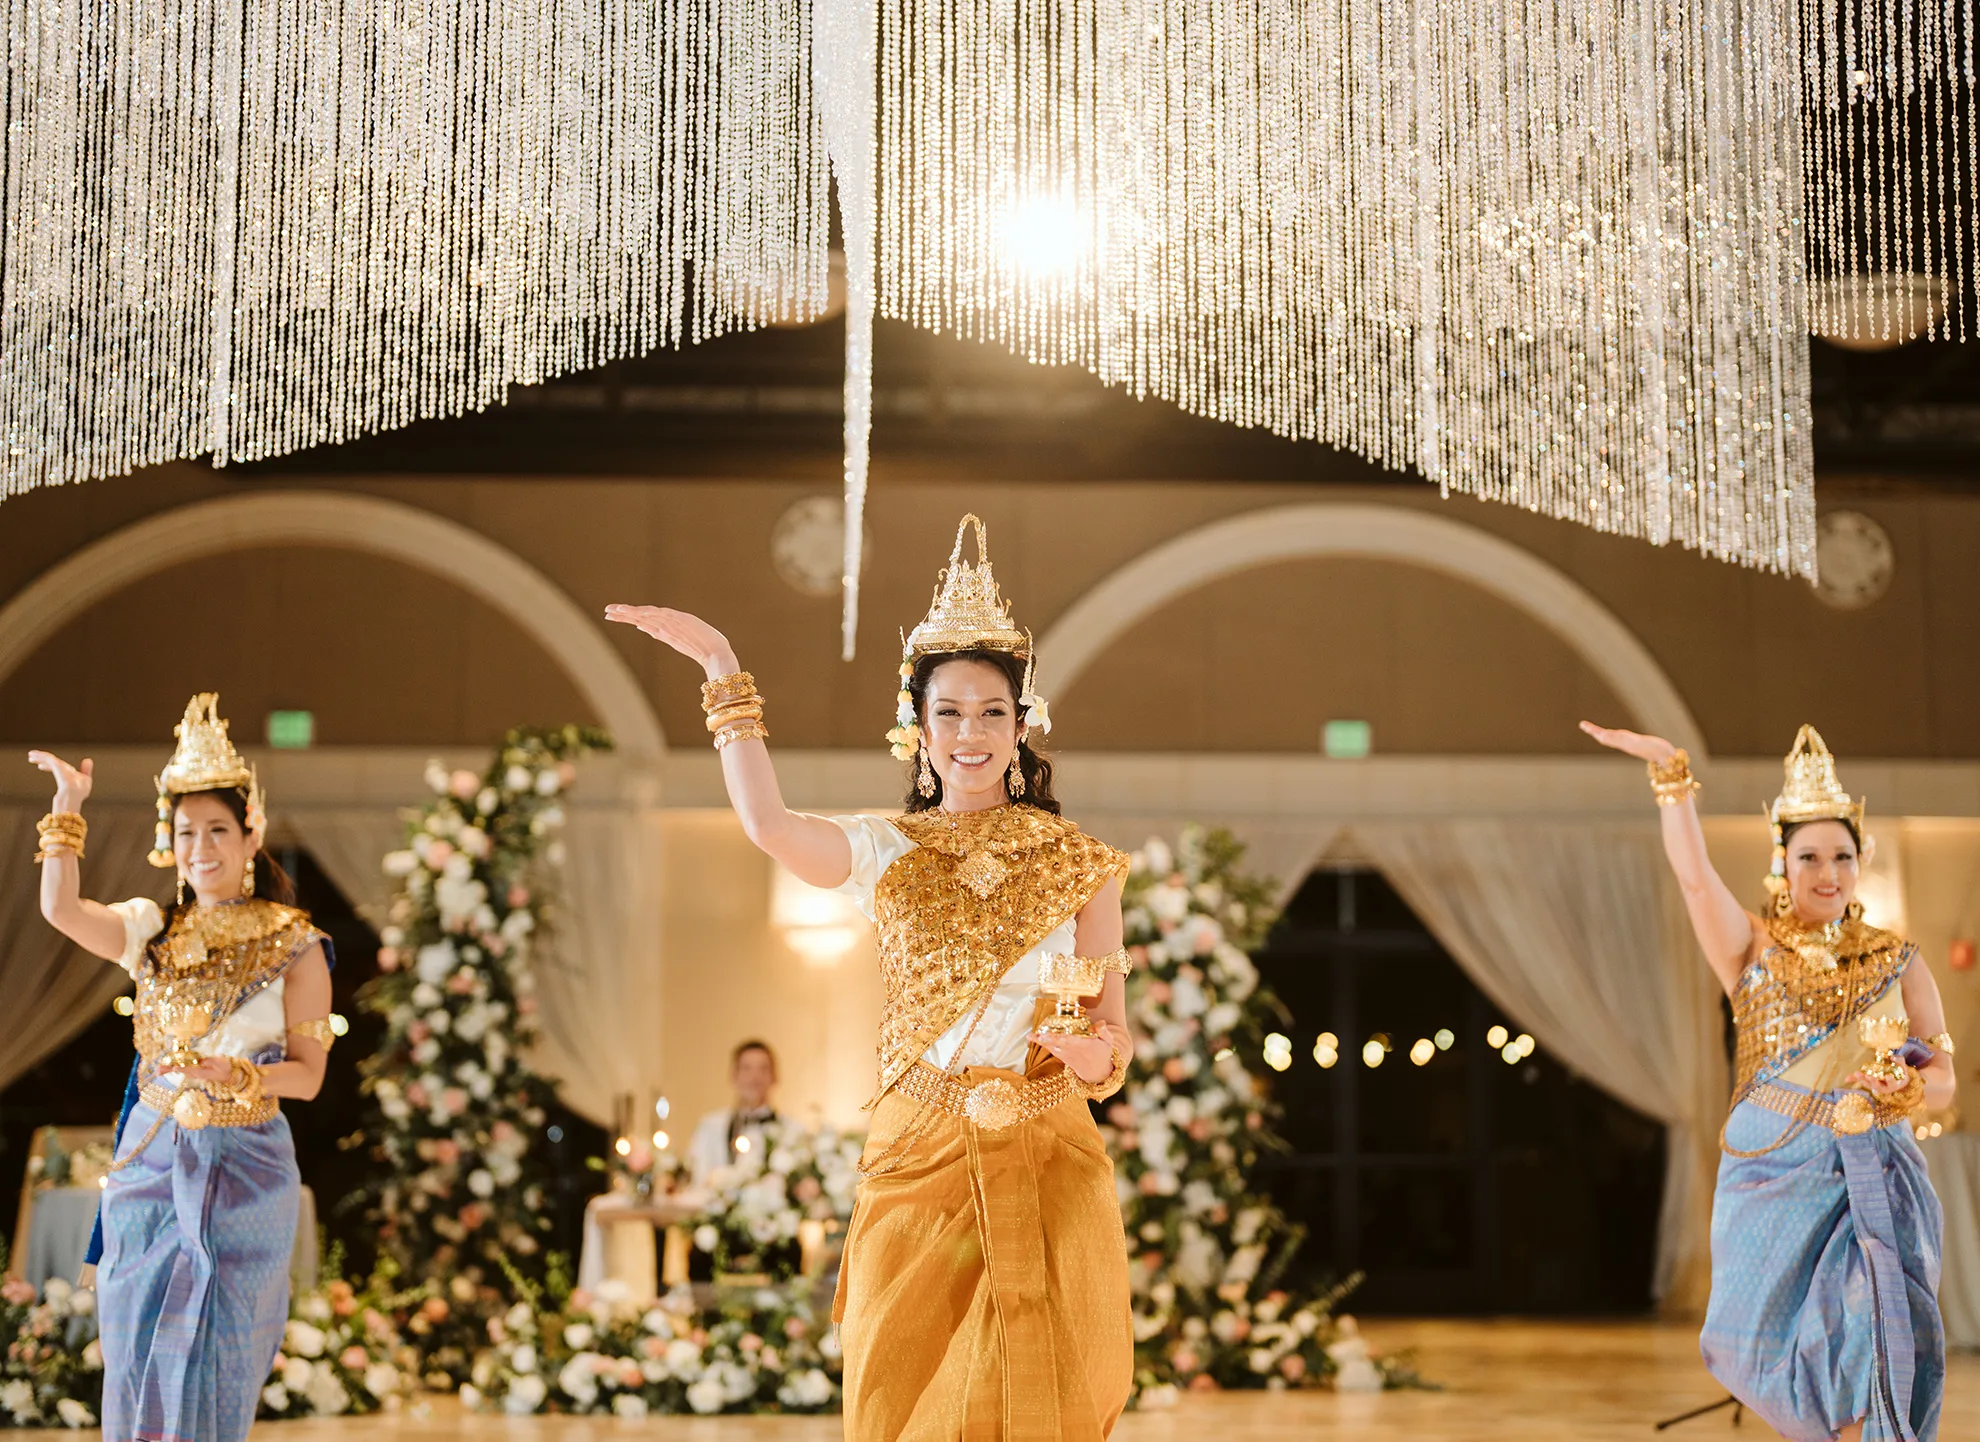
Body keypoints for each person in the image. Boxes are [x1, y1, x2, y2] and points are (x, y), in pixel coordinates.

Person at [609, 514, 1136, 1440]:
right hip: (917, 1150)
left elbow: (1113, 1045)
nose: (969, 734)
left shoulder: (1079, 865)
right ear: (916, 728)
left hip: (1049, 1150)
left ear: (1023, 725)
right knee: (900, 1390)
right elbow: (770, 824)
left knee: (1041, 1398)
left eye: (991, 712)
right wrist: (722, 672)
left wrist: (1085, 1055)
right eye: (948, 713)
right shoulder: (884, 850)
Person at [1583, 720, 1953, 1442]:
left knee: (1865, 1343)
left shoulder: (1898, 960)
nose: (1827, 872)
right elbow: (1693, 877)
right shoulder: (1749, 947)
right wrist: (1671, 779)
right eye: (1809, 855)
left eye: (1842, 856)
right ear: (1781, 863)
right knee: (1783, 1360)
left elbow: (1942, 1078)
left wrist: (1904, 1093)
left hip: (1867, 1181)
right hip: (1769, 1182)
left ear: (1861, 860)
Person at [30, 694, 337, 1442]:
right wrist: (67, 813)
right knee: (134, 1342)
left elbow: (309, 1075)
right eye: (186, 831)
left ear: (249, 833)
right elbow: (62, 911)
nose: (202, 846)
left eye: (218, 830)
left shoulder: (296, 944)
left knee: (227, 1349)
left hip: (248, 1163)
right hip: (151, 1161)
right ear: (170, 842)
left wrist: (241, 1080)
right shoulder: (151, 929)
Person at [687, 1039, 783, 1182]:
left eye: (763, 1069)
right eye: (747, 1069)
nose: (754, 1078)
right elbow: (697, 1176)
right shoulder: (710, 1126)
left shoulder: (792, 1131)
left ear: (774, 1077)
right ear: (734, 1076)